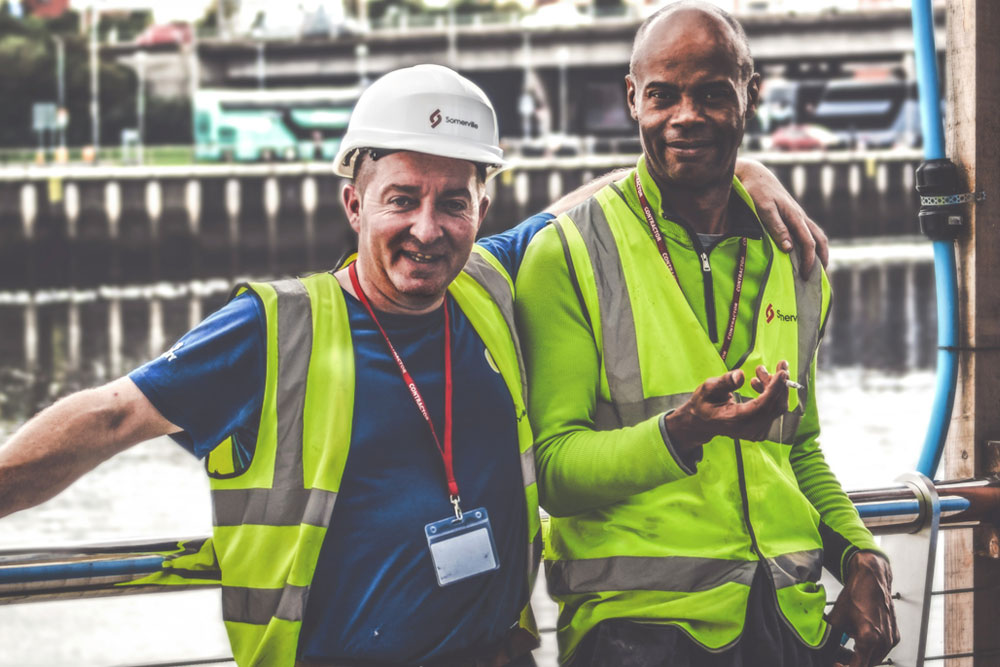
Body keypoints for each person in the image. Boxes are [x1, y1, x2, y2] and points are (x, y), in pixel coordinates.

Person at [0, 64, 824, 666]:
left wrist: (740, 166)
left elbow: (600, 199)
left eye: (453, 200)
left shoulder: (490, 284)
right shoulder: (277, 327)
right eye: (401, 198)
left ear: (482, 208)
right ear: (355, 201)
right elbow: (111, 413)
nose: (428, 228)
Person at [512, 3, 899, 667]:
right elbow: (553, 472)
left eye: (713, 94)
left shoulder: (795, 258)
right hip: (640, 635)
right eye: (663, 95)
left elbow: (798, 447)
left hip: (790, 625)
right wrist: (681, 432)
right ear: (632, 99)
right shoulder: (569, 254)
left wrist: (861, 553)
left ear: (751, 96)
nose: (685, 116)